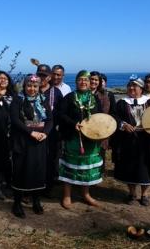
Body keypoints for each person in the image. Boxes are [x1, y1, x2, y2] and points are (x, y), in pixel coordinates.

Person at [111, 77, 150, 206]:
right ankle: (132, 193)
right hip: (128, 141)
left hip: (147, 142)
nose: (131, 88)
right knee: (129, 167)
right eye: (129, 86)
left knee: (145, 167)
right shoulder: (121, 103)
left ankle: (145, 194)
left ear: (141, 89)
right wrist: (123, 125)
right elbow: (114, 117)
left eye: (135, 86)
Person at [58, 70, 103, 209]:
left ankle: (86, 194)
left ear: (90, 83)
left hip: (91, 140)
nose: (83, 82)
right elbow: (61, 114)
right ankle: (66, 195)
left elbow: (100, 118)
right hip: (73, 138)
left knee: (87, 167)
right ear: (76, 82)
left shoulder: (95, 99)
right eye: (80, 79)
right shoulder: (69, 97)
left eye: (86, 80)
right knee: (71, 164)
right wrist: (73, 124)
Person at [10, 74, 53, 218]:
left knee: (38, 170)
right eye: (29, 85)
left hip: (40, 141)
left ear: (39, 86)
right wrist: (31, 132)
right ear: (24, 86)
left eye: (35, 86)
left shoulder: (43, 99)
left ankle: (36, 200)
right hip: (23, 140)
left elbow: (50, 120)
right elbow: (15, 120)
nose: (32, 88)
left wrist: (45, 133)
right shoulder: (18, 100)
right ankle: (17, 203)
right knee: (21, 170)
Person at [36, 64, 63, 195]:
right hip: (33, 132)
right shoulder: (31, 89)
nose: (42, 78)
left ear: (49, 77)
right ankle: (33, 186)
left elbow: (60, 113)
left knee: (50, 159)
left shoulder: (56, 93)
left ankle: (48, 187)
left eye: (44, 75)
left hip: (51, 133)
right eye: (39, 75)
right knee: (35, 160)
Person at [89, 71, 116, 172]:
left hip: (102, 129)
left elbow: (113, 112)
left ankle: (98, 175)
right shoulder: (81, 93)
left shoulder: (105, 95)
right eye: (91, 79)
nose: (94, 82)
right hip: (86, 128)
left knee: (100, 153)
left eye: (96, 80)